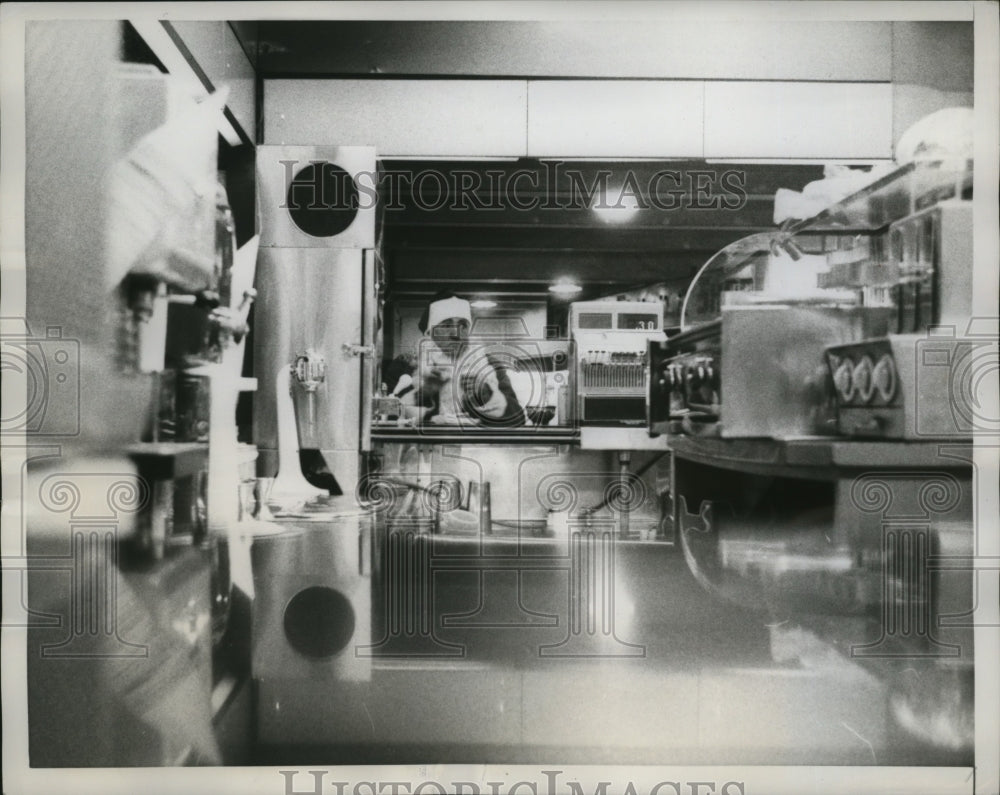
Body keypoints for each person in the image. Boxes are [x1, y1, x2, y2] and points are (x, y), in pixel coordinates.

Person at [405, 291, 525, 427]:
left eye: (463, 325)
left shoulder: (489, 365)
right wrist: (423, 394)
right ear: (430, 332)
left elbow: (517, 420)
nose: (456, 334)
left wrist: (486, 396)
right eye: (446, 325)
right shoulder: (407, 366)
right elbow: (386, 416)